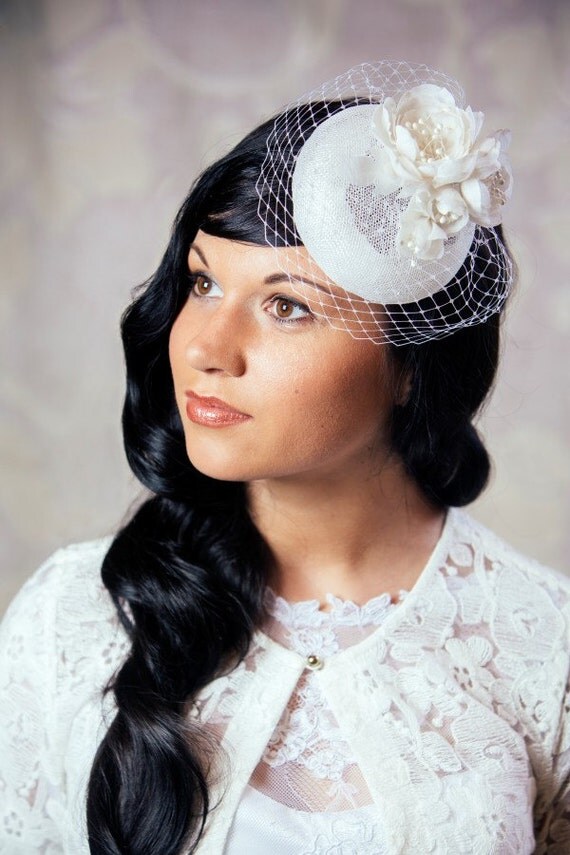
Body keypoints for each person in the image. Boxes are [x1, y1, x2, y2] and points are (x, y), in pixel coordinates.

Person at [0, 61, 568, 855]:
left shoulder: (546, 648)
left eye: (286, 305)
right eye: (201, 283)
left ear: (410, 364)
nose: (204, 346)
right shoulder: (73, 615)